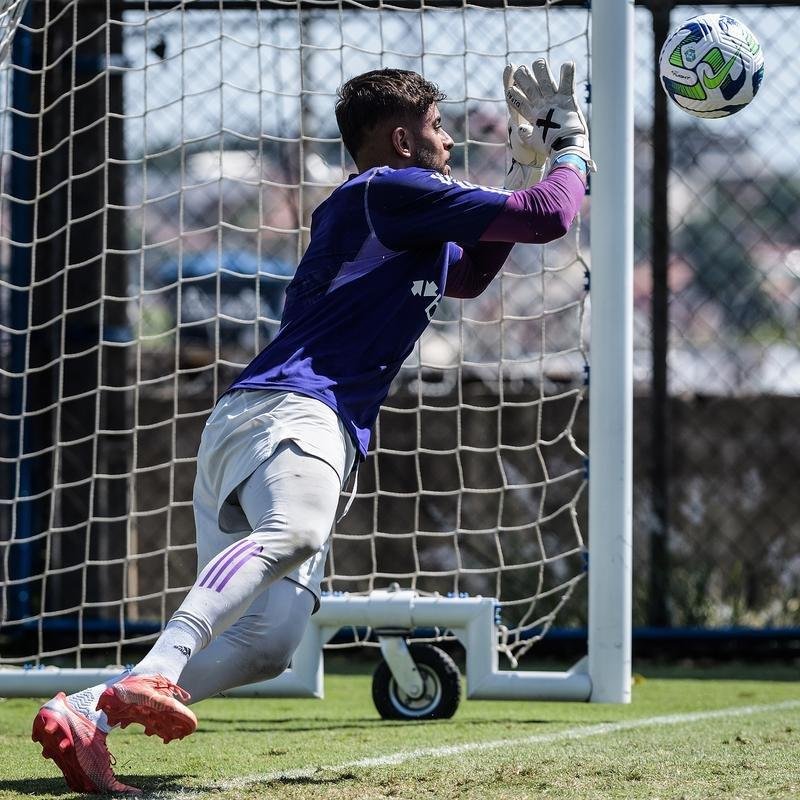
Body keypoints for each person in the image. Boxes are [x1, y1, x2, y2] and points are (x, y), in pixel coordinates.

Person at [31, 60, 594, 794]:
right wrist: (569, 148)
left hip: (265, 420)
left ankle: (86, 715)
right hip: (295, 409)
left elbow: (472, 275)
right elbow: (550, 216)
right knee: (293, 534)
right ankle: (159, 672)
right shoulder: (390, 189)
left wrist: (523, 173)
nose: (448, 140)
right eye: (437, 127)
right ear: (401, 138)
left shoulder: (397, 209)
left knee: (269, 645)